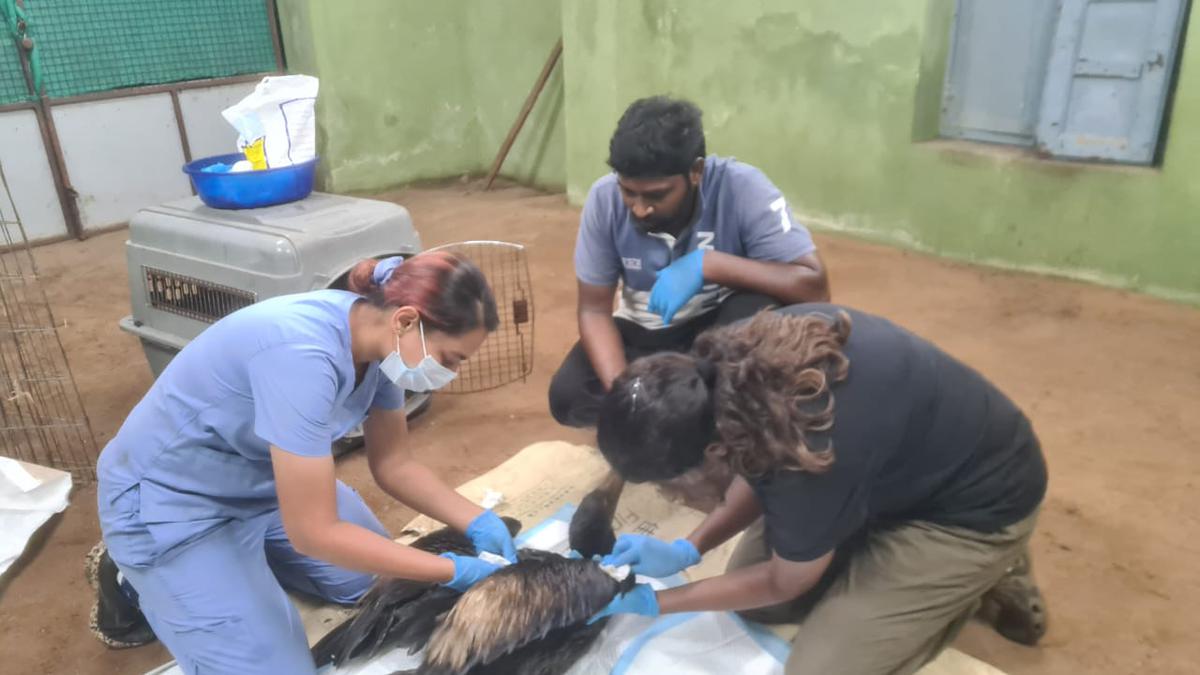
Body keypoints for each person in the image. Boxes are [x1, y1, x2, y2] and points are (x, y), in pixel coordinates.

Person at [90, 252, 520, 675]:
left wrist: (478, 520)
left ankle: (239, 567)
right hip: (172, 502)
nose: (450, 373)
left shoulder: (380, 346)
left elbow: (394, 464)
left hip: (264, 480)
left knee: (377, 586)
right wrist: (450, 570)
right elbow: (314, 532)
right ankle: (132, 578)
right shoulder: (302, 354)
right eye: (449, 359)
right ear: (406, 320)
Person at [590, 305, 1049, 675]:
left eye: (671, 486)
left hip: (971, 509)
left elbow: (781, 579)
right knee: (758, 608)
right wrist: (690, 549)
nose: (673, 497)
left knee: (822, 666)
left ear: (713, 450)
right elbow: (756, 461)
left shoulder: (806, 452)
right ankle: (869, 544)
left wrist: (658, 602)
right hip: (884, 474)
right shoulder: (720, 369)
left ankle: (989, 568)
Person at [548, 96, 830, 430]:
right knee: (570, 396)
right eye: (629, 192)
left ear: (696, 171)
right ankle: (688, 415)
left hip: (718, 329)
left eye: (656, 195)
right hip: (645, 332)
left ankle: (721, 425)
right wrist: (627, 393)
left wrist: (707, 264)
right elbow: (594, 310)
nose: (639, 209)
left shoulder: (741, 187)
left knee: (760, 324)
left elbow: (814, 286)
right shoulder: (604, 198)